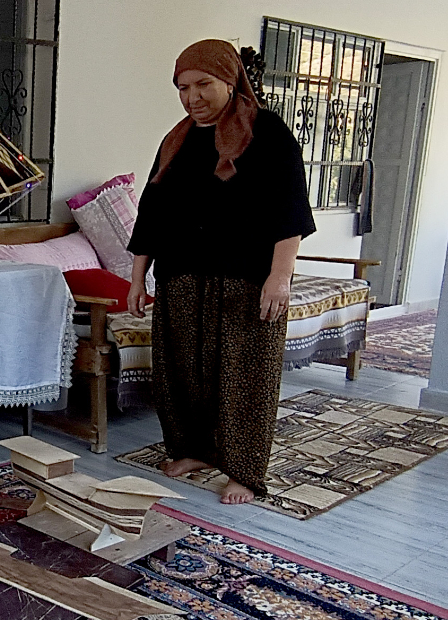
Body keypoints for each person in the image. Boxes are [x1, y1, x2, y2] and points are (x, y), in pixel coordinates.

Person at [126, 39, 316, 505]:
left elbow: (289, 208)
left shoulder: (267, 133)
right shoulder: (178, 140)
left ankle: (244, 472)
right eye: (183, 87)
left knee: (244, 376)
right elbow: (152, 212)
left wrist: (281, 275)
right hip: (182, 276)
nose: (192, 97)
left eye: (203, 84)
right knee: (182, 373)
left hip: (246, 279)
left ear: (230, 81)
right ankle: (194, 451)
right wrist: (136, 278)